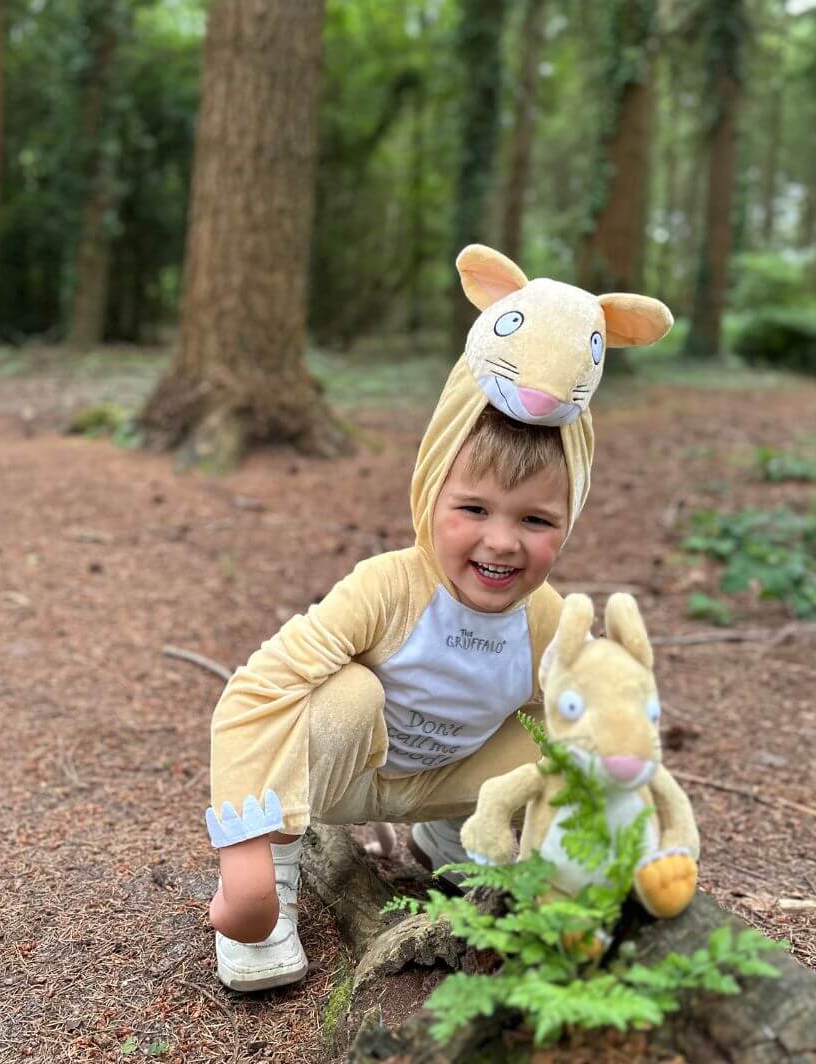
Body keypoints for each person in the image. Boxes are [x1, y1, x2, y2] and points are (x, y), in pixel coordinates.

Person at [203, 244, 672, 992]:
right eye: (474, 509)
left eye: (535, 520)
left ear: (569, 521)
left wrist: (626, 836)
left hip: (453, 779)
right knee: (345, 692)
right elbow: (256, 693)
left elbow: (605, 728)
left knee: (565, 734)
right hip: (352, 774)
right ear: (430, 495)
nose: (501, 542)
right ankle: (280, 864)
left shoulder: (547, 619)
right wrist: (243, 855)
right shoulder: (389, 587)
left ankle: (452, 842)